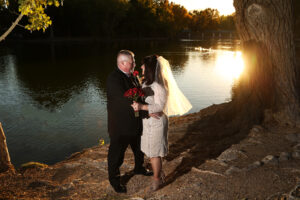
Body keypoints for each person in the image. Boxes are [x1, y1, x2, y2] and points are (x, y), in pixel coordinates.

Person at [131, 55, 192, 191]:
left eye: (143, 65)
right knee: (151, 151)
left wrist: (142, 107)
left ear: (150, 68)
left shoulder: (159, 85)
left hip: (157, 123)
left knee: (154, 154)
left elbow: (160, 106)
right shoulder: (146, 82)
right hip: (148, 122)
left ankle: (157, 179)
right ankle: (159, 172)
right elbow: (146, 100)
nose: (141, 67)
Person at [106, 50, 153, 193]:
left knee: (139, 149)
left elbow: (138, 96)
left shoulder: (132, 76)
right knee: (117, 155)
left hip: (135, 122)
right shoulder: (114, 79)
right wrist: (148, 109)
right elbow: (124, 100)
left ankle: (139, 168)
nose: (135, 64)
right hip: (120, 125)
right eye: (133, 61)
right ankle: (115, 181)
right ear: (123, 63)